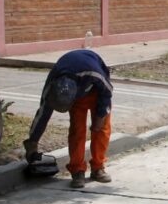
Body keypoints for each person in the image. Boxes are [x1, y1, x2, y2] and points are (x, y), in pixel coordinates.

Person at [23, 49, 114, 189]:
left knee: (101, 129)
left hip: (97, 91)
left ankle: (98, 167)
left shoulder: (94, 73)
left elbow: (107, 91)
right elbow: (43, 114)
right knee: (77, 130)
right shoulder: (52, 86)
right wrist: (32, 142)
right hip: (77, 92)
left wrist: (100, 116)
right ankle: (77, 171)